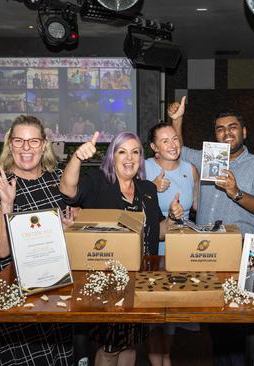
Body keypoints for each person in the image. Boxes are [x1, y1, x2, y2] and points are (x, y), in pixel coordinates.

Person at [169, 97, 254, 366]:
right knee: (217, 325)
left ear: (244, 132)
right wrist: (177, 119)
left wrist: (236, 192)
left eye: (232, 127)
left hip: (244, 252)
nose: (226, 132)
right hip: (209, 251)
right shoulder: (211, 158)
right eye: (220, 129)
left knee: (245, 327)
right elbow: (179, 150)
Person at [60, 131, 183, 366]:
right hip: (108, 284)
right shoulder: (98, 182)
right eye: (122, 151)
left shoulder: (148, 189)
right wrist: (76, 157)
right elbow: (67, 190)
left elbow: (158, 232)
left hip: (141, 281)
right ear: (112, 157)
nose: (129, 158)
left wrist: (172, 219)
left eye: (135, 152)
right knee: (109, 349)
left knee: (130, 344)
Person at [0, 115, 74, 365]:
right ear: (10, 144)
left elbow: (76, 224)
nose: (26, 148)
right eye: (19, 140)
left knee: (58, 355)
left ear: (44, 145)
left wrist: (70, 229)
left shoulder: (59, 179)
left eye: (33, 141)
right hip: (16, 289)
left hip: (56, 284)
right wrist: (6, 203)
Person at [144, 122, 200, 366]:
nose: (172, 144)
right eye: (164, 141)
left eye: (175, 138)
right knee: (154, 317)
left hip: (182, 250)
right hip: (153, 250)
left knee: (172, 318)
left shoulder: (190, 168)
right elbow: (132, 208)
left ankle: (167, 357)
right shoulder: (143, 169)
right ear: (154, 147)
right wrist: (150, 188)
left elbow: (198, 207)